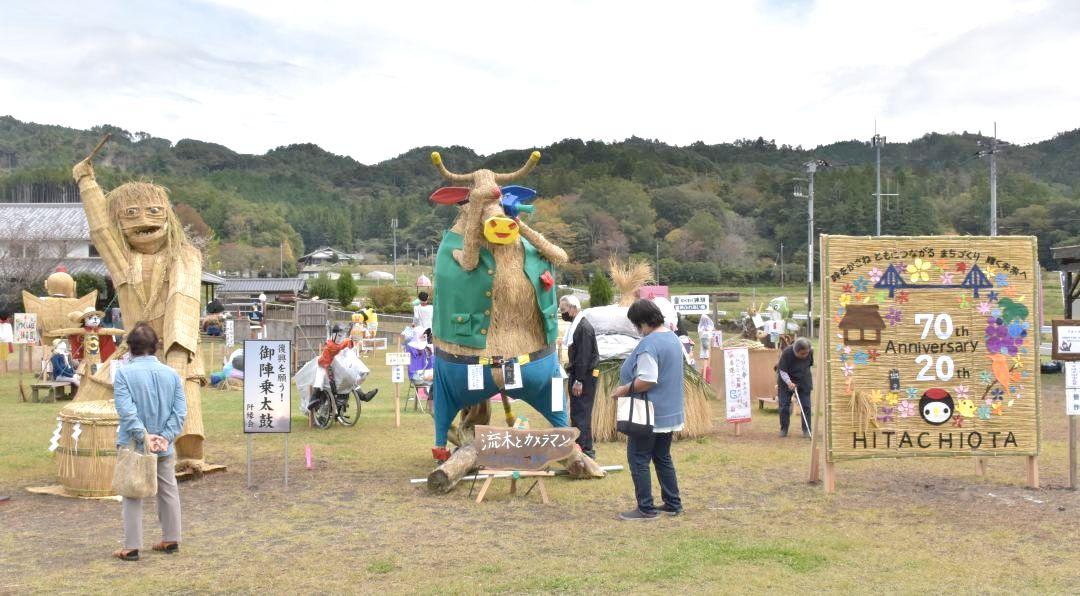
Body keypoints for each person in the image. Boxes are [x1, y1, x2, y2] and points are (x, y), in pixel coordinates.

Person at [113, 323, 187, 561]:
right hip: (164, 444)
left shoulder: (124, 373)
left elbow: (127, 412)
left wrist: (144, 437)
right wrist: (164, 436)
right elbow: (180, 412)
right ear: (156, 347)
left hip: (135, 444)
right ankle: (171, 538)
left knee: (132, 490)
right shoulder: (171, 373)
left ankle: (132, 546)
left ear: (130, 347)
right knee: (168, 489)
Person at [611, 299, 684, 520]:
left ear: (643, 322)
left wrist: (624, 389)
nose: (637, 329)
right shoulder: (672, 338)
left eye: (636, 324)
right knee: (662, 457)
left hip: (649, 413)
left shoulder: (649, 344)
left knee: (638, 459)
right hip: (670, 411)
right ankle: (673, 503)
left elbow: (648, 379)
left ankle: (646, 508)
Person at [560, 295, 598, 459]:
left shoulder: (583, 328)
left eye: (563, 310)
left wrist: (579, 380)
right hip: (579, 375)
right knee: (578, 413)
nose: (562, 313)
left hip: (584, 377)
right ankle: (581, 449)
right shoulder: (577, 326)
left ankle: (585, 451)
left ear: (573, 308)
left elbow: (583, 357)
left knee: (581, 413)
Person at [776, 337, 813, 438]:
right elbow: (782, 371)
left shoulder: (810, 351)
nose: (805, 355)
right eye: (802, 354)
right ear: (795, 351)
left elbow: (809, 365)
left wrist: (801, 380)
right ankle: (784, 429)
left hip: (804, 380)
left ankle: (807, 430)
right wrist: (789, 382)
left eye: (806, 353)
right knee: (784, 406)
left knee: (806, 406)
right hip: (786, 380)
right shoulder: (787, 353)